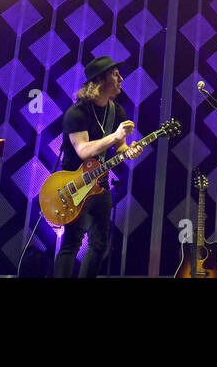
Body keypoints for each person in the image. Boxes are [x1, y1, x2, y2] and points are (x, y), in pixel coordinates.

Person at [54, 55, 143, 277]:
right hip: (74, 185)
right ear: (101, 80)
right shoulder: (77, 113)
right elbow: (83, 150)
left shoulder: (116, 112)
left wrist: (128, 151)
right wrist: (115, 137)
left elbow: (119, 147)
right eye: (115, 74)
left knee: (100, 244)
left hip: (100, 185)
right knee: (72, 242)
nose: (121, 78)